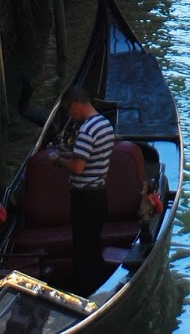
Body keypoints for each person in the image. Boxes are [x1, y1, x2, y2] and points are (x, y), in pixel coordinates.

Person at [50, 84, 116, 295]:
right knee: (92, 245)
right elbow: (89, 158)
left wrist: (58, 160)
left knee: (82, 248)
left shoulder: (87, 129)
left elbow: (78, 168)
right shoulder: (105, 124)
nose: (70, 114)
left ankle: (84, 292)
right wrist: (69, 154)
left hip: (84, 199)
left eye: (69, 109)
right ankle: (94, 287)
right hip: (99, 195)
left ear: (77, 105)